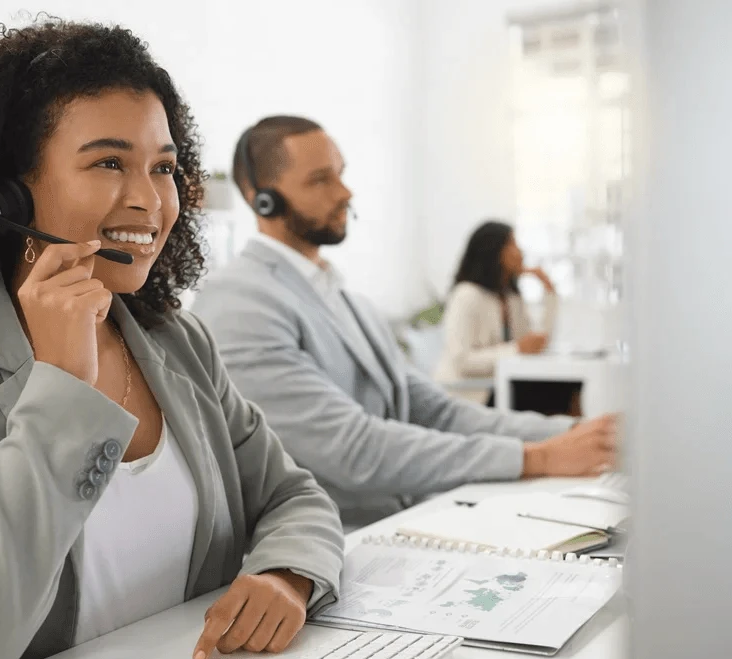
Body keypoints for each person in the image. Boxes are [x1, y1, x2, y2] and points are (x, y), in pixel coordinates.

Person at [0, 23, 343, 659]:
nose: (149, 199)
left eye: (162, 167)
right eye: (109, 162)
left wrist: (286, 572)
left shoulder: (174, 339)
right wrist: (63, 387)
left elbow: (291, 494)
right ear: (5, 195)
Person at [191, 115, 617, 529]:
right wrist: (537, 458)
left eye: (340, 174)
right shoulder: (239, 303)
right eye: (320, 179)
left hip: (405, 520)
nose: (345, 192)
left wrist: (580, 434)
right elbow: (355, 450)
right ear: (261, 197)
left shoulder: (346, 299)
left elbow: (436, 412)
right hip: (326, 547)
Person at [435, 221, 582, 415]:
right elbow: (462, 362)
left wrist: (549, 292)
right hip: (471, 391)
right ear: (492, 251)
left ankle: (574, 442)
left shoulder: (511, 297)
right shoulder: (466, 296)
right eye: (511, 244)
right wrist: (517, 349)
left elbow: (537, 344)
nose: (519, 251)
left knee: (568, 385)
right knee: (558, 394)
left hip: (501, 385)